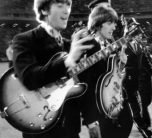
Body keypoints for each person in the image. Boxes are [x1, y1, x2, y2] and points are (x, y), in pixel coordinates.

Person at [12, 0, 94, 138]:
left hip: (71, 129)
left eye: (68, 4)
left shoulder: (70, 45)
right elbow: (29, 78)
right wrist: (67, 61)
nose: (67, 10)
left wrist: (90, 121)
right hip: (41, 130)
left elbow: (82, 88)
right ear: (44, 10)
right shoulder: (24, 40)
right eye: (60, 4)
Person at [78, 5, 133, 138]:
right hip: (99, 110)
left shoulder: (109, 45)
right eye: (109, 23)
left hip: (113, 102)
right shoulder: (88, 46)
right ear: (97, 23)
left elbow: (112, 75)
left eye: (114, 23)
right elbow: (85, 85)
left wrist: (121, 65)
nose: (114, 27)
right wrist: (91, 120)